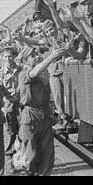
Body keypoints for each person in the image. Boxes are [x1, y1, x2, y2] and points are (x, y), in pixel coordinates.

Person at [18, 46, 67, 176]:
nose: (37, 57)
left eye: (38, 54)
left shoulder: (44, 75)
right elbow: (32, 74)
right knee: (31, 156)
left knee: (47, 155)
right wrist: (51, 57)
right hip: (30, 116)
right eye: (33, 55)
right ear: (24, 61)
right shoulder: (24, 74)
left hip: (44, 116)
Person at [0, 47, 22, 174]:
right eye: (5, 56)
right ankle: (10, 164)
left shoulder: (21, 70)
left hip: (21, 107)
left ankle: (23, 161)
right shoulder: (0, 74)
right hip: (8, 108)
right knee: (10, 135)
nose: (8, 59)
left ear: (14, 56)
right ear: (2, 58)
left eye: (10, 56)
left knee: (23, 134)